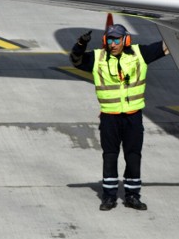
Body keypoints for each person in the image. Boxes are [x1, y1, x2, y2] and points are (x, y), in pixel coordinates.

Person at [70, 24, 169, 211]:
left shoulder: (140, 54)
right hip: (110, 117)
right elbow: (76, 60)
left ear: (126, 40)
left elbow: (168, 46)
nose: (113, 44)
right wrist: (81, 44)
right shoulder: (98, 57)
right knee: (110, 156)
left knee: (133, 156)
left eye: (117, 40)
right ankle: (109, 197)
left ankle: (132, 196)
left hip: (133, 117)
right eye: (110, 40)